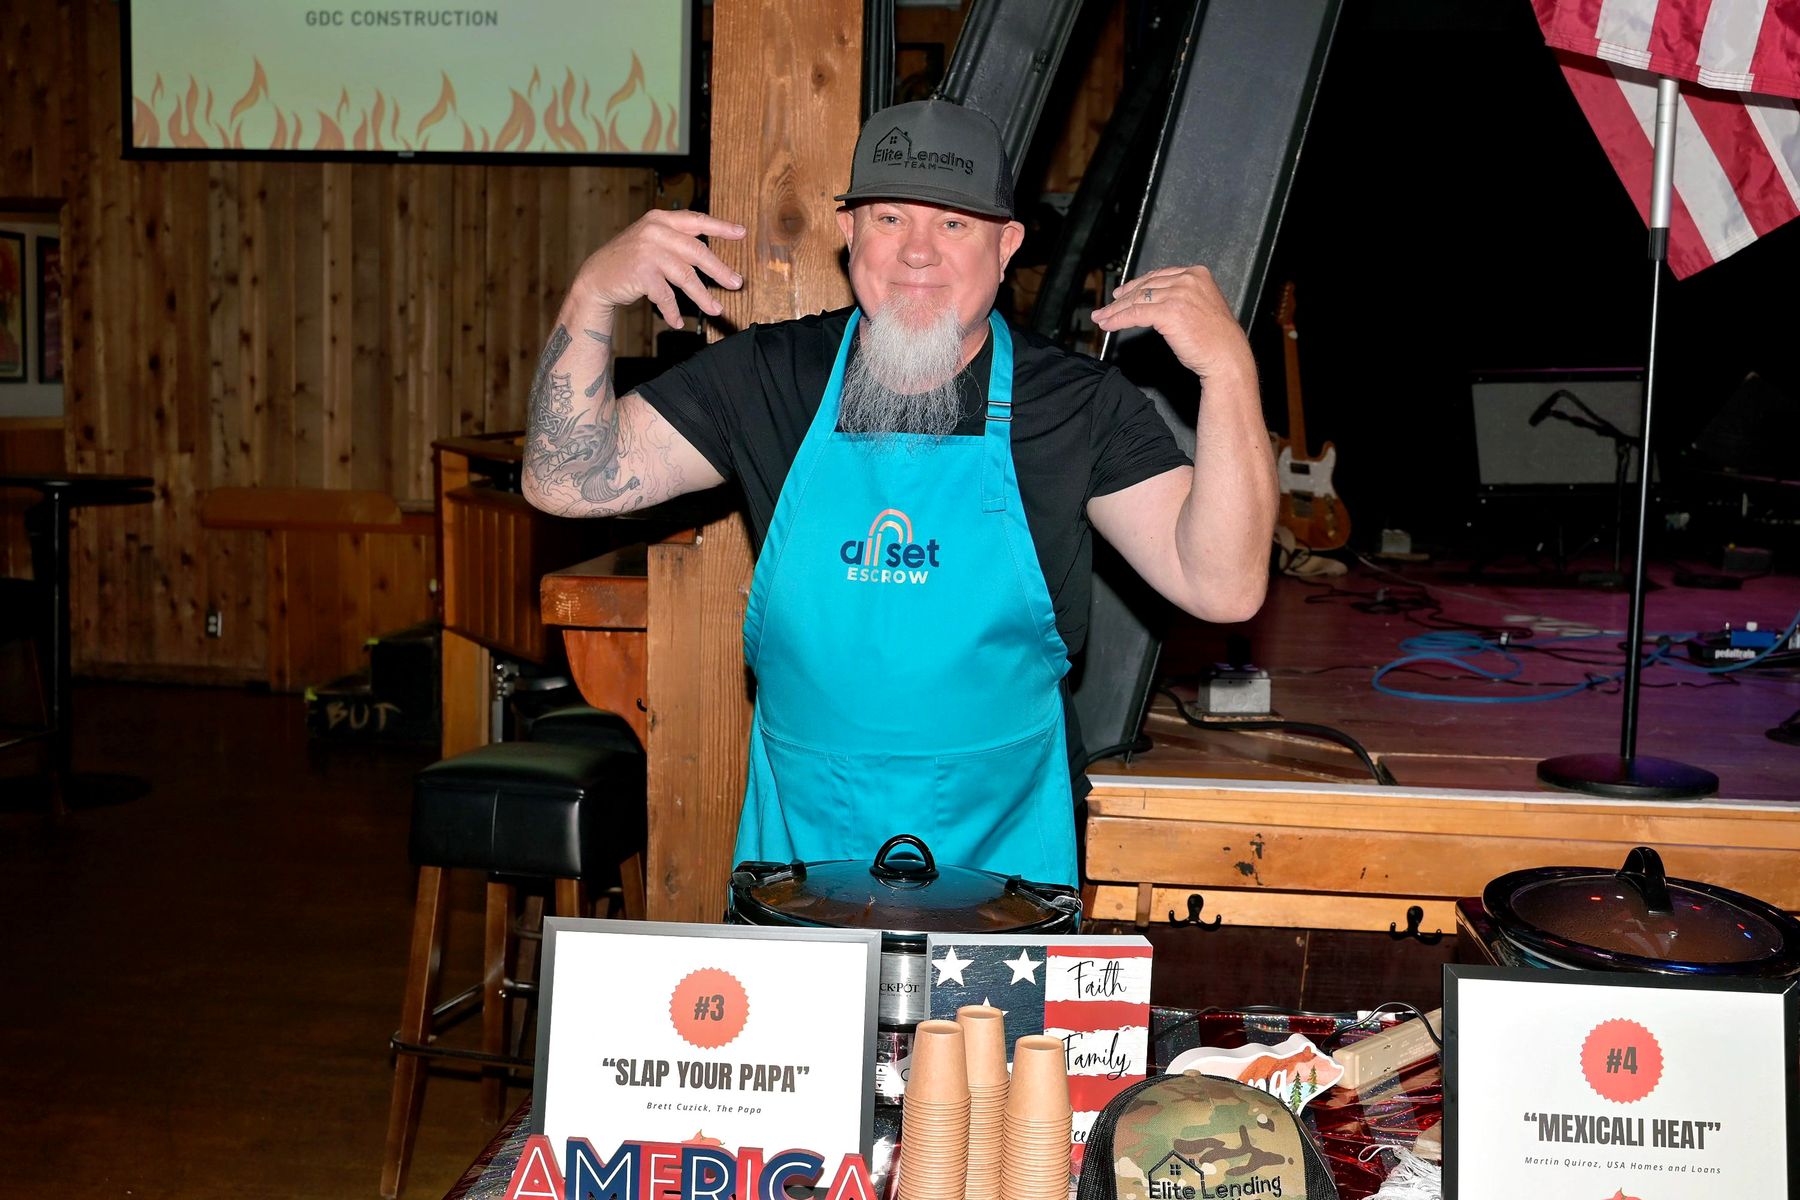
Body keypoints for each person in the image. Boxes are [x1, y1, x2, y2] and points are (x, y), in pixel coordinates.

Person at [522, 100, 1275, 887]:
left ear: (1006, 245)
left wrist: (1229, 370)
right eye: (890, 218)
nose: (918, 251)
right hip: (802, 863)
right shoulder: (768, 377)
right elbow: (563, 480)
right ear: (848, 232)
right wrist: (592, 295)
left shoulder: (1078, 407)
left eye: (953, 223)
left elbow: (1223, 586)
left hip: (1004, 872)